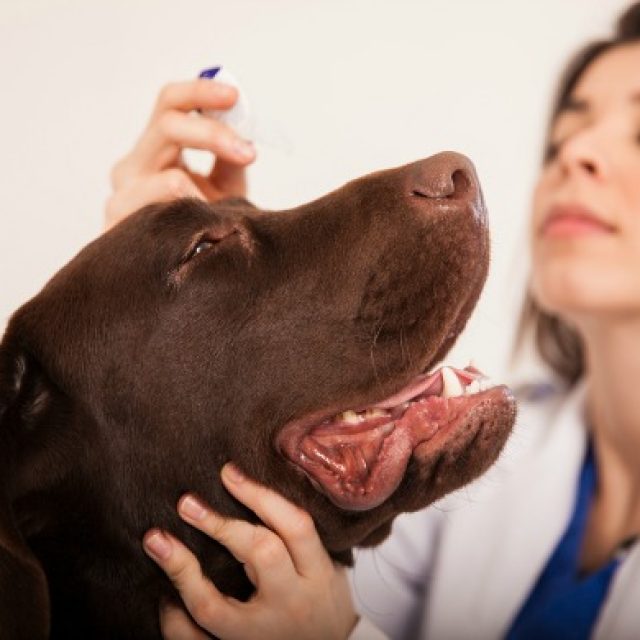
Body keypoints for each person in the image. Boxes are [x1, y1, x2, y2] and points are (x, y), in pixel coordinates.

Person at [107, 3, 640, 638]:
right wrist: (172, 277)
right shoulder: (478, 457)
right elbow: (283, 582)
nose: (576, 153)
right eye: (564, 135)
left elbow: (330, 619)